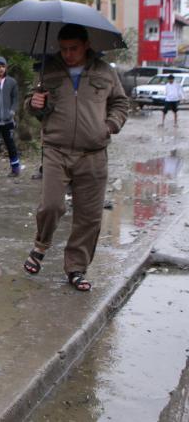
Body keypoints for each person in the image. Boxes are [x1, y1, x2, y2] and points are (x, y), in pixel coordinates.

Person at [23, 24, 129, 292]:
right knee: (51, 205)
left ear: (86, 46)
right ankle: (41, 245)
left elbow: (120, 103)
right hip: (56, 150)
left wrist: (109, 126)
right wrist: (35, 103)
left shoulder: (105, 72)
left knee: (89, 217)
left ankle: (76, 269)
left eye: (74, 49)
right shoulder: (50, 69)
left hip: (93, 154)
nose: (68, 54)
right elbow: (34, 104)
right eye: (64, 49)